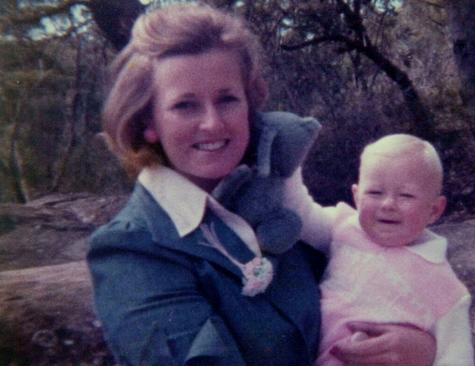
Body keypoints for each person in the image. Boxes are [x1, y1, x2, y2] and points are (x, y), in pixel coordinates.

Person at [87, 3, 436, 365]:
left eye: (227, 99)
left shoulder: (275, 196)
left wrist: (420, 346)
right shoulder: (131, 249)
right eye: (185, 106)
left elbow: (370, 276)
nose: (212, 123)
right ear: (149, 122)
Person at [312, 134, 474, 366]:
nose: (388, 204)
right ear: (356, 197)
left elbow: (457, 356)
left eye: (406, 195)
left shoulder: (445, 286)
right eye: (375, 193)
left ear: (434, 210)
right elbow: (298, 209)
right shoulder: (341, 228)